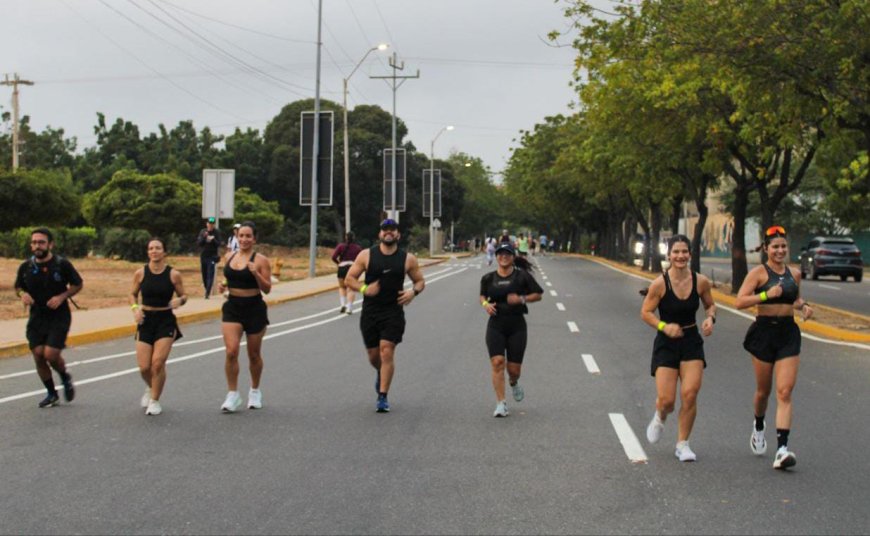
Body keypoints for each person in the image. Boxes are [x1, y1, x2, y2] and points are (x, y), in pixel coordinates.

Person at [736, 225, 812, 470]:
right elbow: (740, 301)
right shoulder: (759, 273)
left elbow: (795, 298)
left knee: (785, 391)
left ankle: (782, 449)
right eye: (775, 247)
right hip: (764, 333)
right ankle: (759, 425)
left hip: (788, 333)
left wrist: (804, 306)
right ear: (766, 249)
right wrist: (767, 295)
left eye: (783, 246)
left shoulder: (795, 273)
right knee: (763, 392)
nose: (780, 250)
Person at [640, 235, 716, 461]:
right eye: (676, 252)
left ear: (690, 254)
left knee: (690, 394)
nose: (681, 256)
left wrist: (710, 319)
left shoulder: (700, 281)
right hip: (666, 343)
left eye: (685, 252)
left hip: (691, 339)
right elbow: (645, 313)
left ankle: (683, 444)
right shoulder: (660, 283)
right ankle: (660, 416)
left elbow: (710, 304)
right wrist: (664, 326)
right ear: (669, 255)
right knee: (667, 401)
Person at [345, 218, 426, 413]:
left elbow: (420, 281)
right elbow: (349, 279)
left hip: (393, 310)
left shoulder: (408, 259)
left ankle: (382, 396)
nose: (388, 233)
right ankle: (381, 373)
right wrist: (365, 288)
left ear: (398, 234)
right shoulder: (366, 255)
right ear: (380, 234)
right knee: (374, 356)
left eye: (392, 230)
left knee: (386, 350)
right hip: (370, 312)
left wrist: (412, 293)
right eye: (385, 230)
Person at [14, 228, 83, 408]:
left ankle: (64, 377)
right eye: (34, 242)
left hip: (59, 316)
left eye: (41, 242)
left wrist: (61, 297)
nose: (37, 245)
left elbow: (77, 284)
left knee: (50, 354)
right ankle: (52, 394)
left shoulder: (61, 264)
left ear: (50, 244)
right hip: (37, 316)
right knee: (38, 354)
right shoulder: (26, 267)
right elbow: (18, 287)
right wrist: (22, 294)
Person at [479, 243, 543, 417]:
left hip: (517, 326)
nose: (503, 256)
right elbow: (482, 295)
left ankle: (514, 383)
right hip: (496, 325)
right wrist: (486, 305)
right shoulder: (488, 278)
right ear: (496, 256)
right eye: (500, 253)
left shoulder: (522, 277)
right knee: (497, 362)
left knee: (514, 370)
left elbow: (538, 295)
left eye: (507, 253)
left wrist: (521, 298)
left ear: (513, 257)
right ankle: (501, 403)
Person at [216, 221, 272, 413]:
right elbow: (227, 277)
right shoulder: (229, 256)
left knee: (254, 354)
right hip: (233, 307)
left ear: (254, 239)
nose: (244, 239)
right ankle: (232, 394)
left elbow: (267, 289)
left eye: (248, 236)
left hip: (254, 307)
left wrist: (256, 274)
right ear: (236, 237)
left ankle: (255, 390)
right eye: (241, 235)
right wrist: (222, 285)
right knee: (231, 351)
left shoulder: (261, 260)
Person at [129, 237, 187, 416]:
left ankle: (154, 400)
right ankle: (151, 387)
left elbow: (184, 295)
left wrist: (179, 300)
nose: (154, 251)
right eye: (151, 248)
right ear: (148, 252)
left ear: (164, 252)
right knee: (144, 367)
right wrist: (135, 308)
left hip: (165, 320)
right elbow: (132, 294)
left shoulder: (173, 274)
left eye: (158, 248)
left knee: (157, 363)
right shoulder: (140, 273)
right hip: (146, 320)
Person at [331, 231, 363, 314]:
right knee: (351, 288)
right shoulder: (358, 248)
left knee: (342, 287)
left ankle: (342, 305)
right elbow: (361, 259)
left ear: (346, 237)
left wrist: (338, 263)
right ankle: (349, 307)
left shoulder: (340, 246)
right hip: (352, 268)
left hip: (342, 267)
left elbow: (333, 257)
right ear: (354, 238)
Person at [197, 217, 223, 299]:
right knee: (204, 275)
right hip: (204, 256)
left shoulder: (217, 232)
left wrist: (213, 239)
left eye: (212, 224)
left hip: (212, 257)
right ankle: (206, 288)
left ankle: (207, 293)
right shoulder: (203, 232)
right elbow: (199, 243)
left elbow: (219, 244)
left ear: (214, 225)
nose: (210, 225)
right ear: (207, 224)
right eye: (209, 223)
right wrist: (205, 237)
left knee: (210, 274)